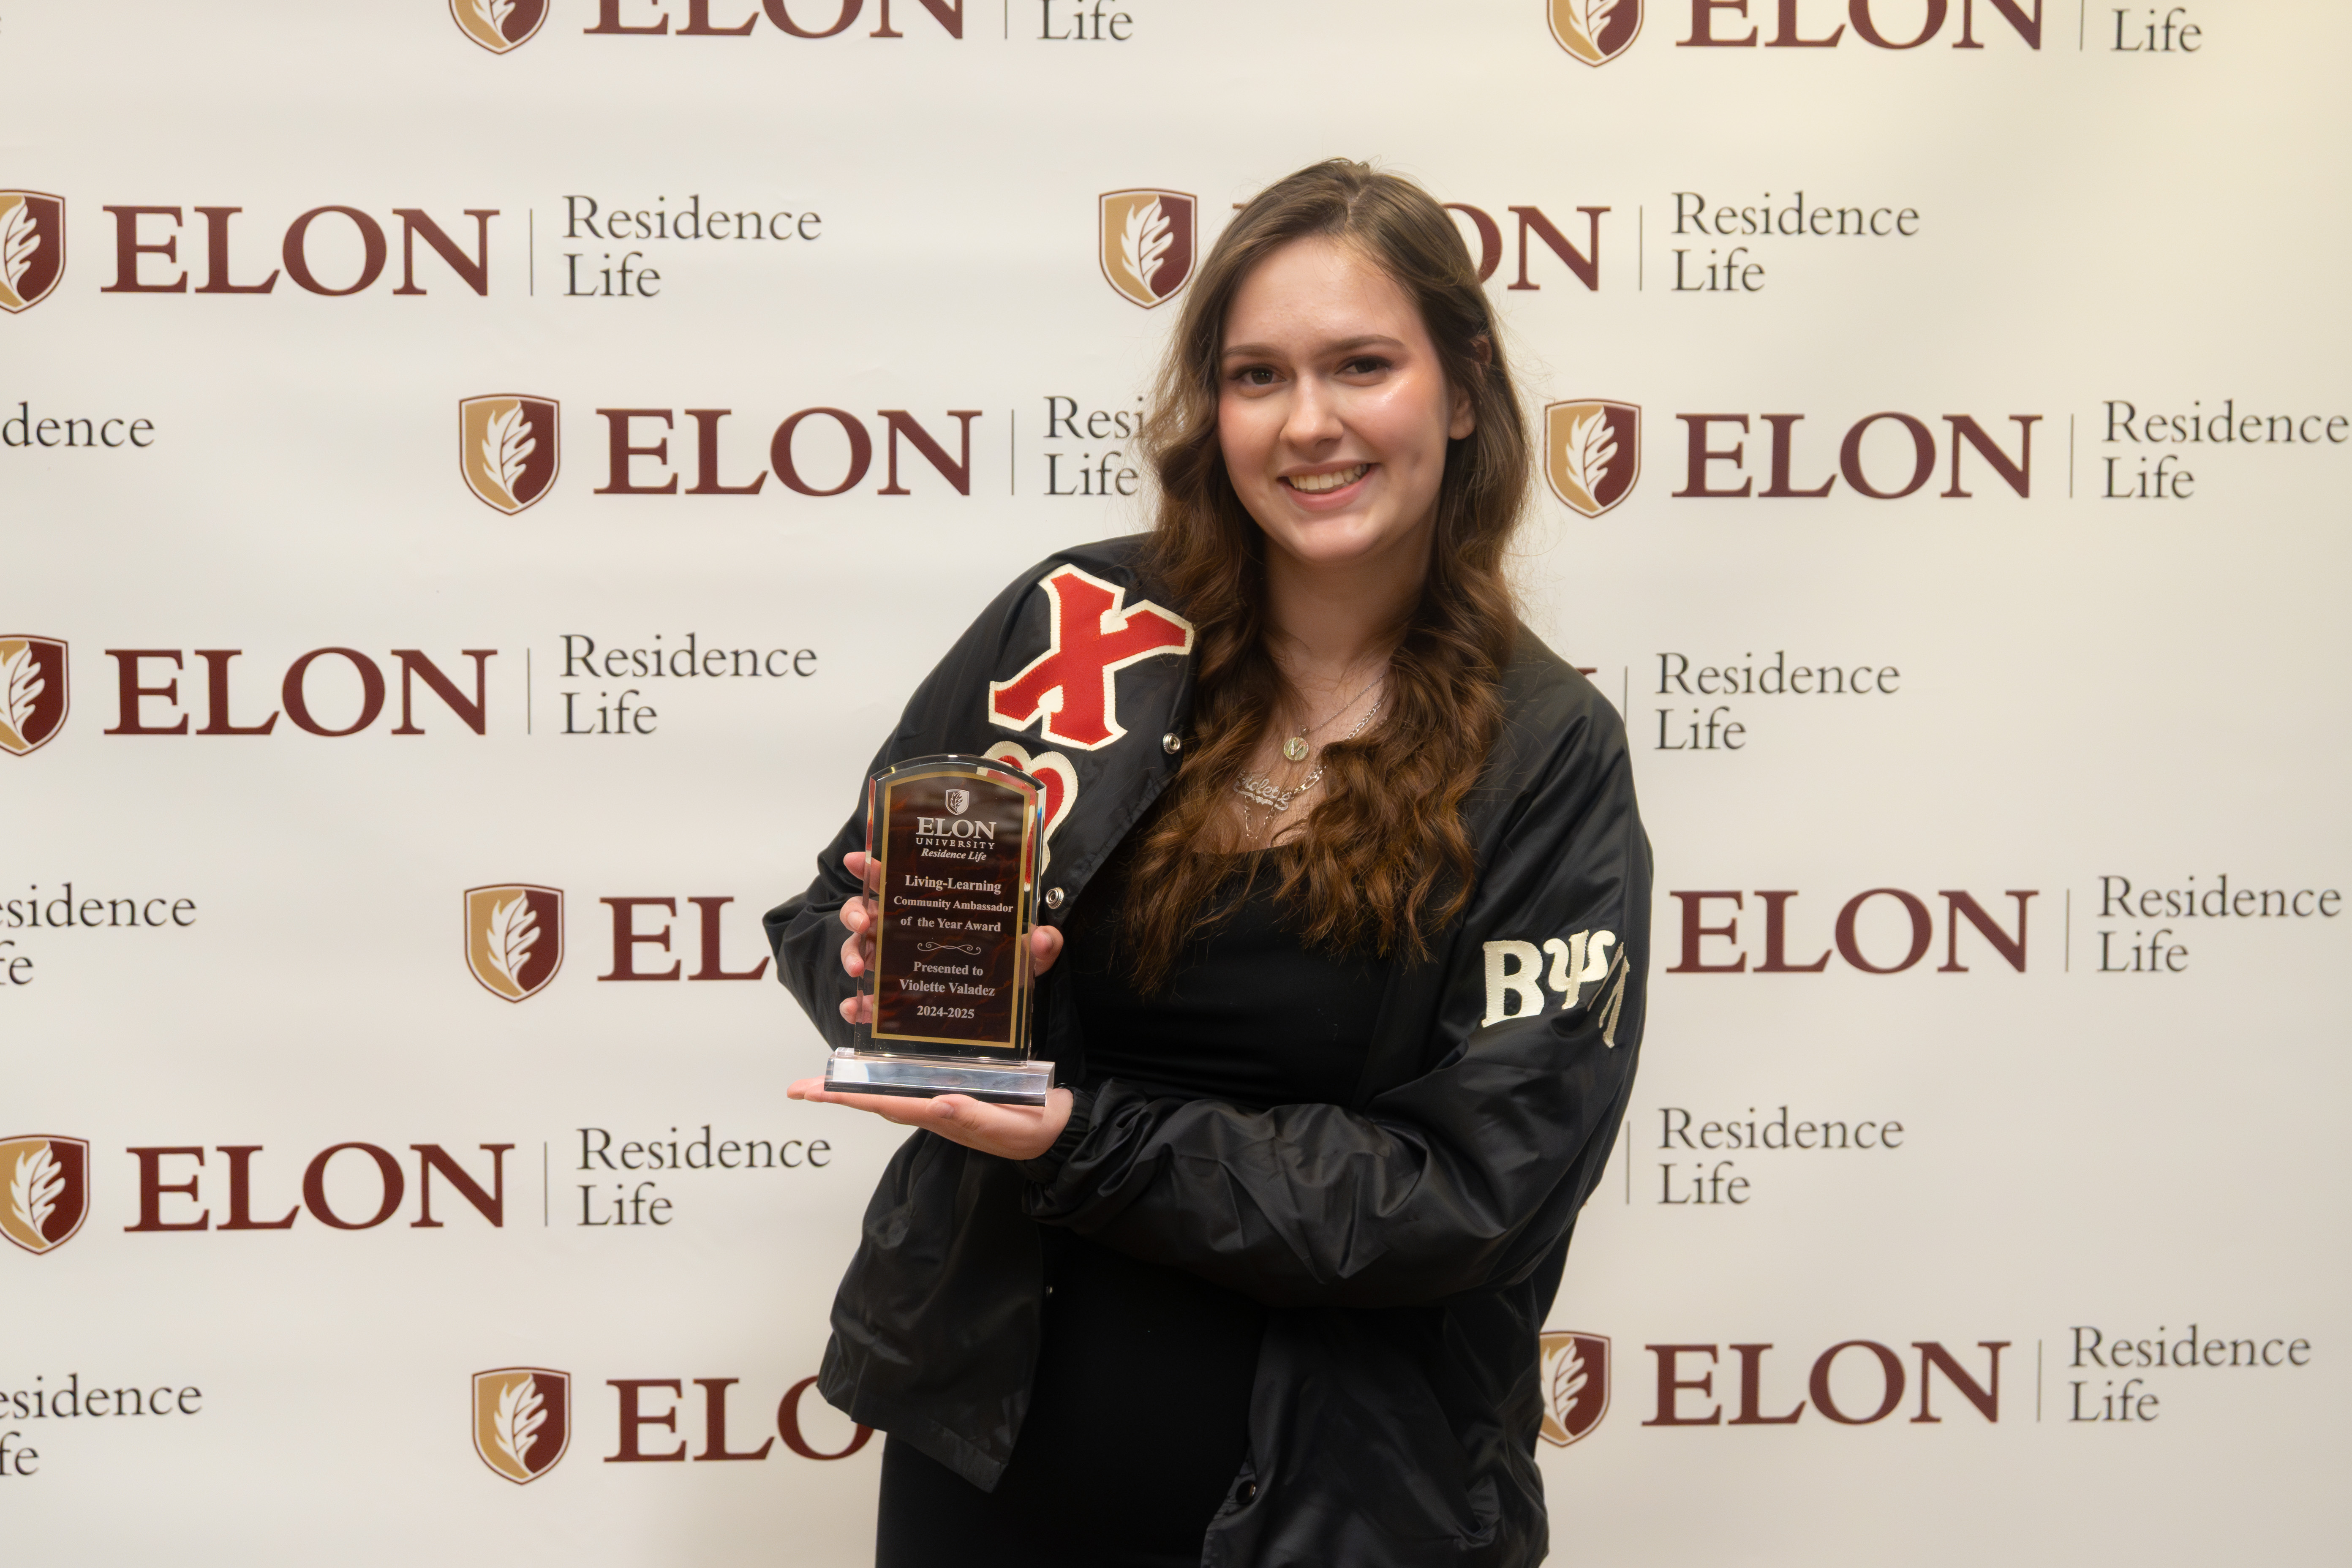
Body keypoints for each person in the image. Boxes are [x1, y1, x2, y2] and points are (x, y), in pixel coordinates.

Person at [765, 158, 1650, 1568]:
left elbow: (1470, 1191)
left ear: (1466, 391)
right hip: (992, 1447)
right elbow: (835, 910)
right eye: (1257, 377)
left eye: (1362, 365)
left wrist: (1078, 1133)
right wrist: (881, 982)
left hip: (1343, 1498)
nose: (1310, 424)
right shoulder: (1077, 625)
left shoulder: (1548, 752)